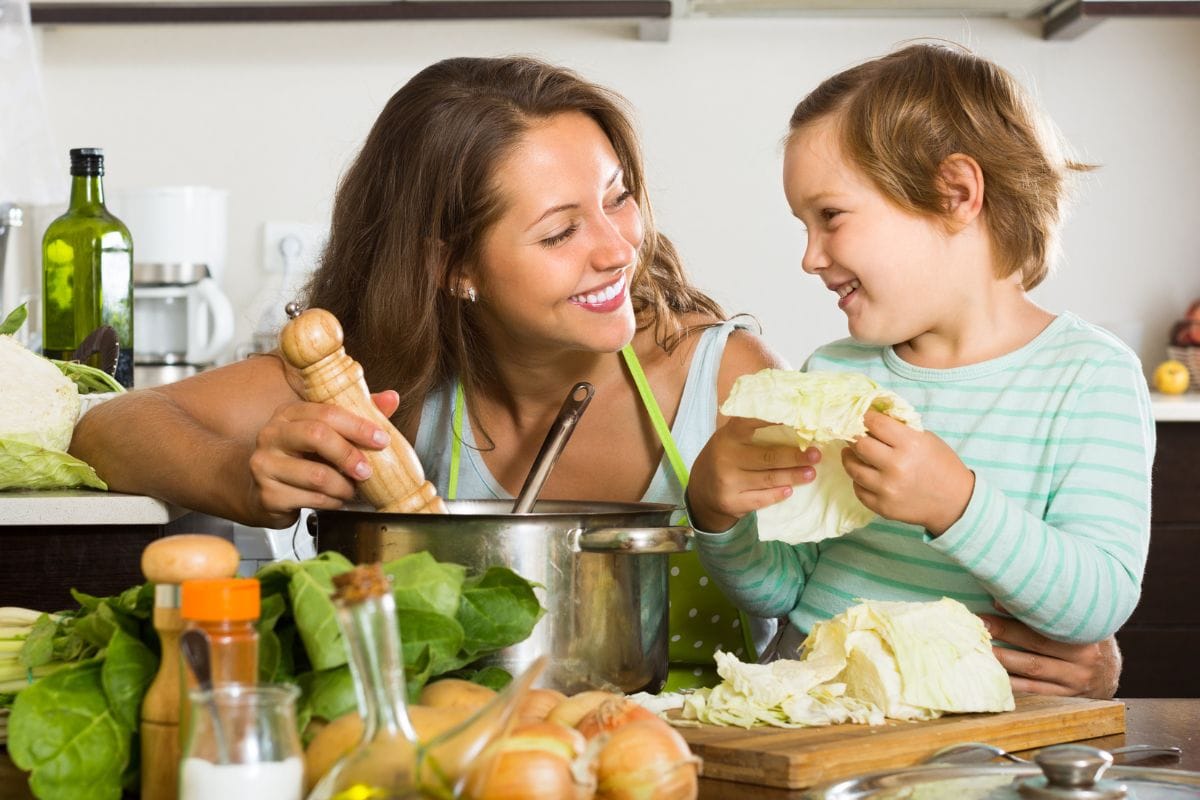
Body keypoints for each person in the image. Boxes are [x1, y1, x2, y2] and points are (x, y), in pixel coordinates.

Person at [70, 54, 1122, 697]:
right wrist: (244, 476)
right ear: (453, 265)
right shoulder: (393, 385)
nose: (618, 247)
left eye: (620, 198)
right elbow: (108, 424)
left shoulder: (725, 377)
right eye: (563, 227)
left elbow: (818, 602)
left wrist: (1054, 646)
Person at [685, 42, 1153, 688]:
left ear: (956, 192)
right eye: (804, 225)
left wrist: (956, 505)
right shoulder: (833, 373)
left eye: (831, 217)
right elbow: (780, 591)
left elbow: (1095, 603)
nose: (810, 257)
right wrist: (716, 513)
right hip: (817, 708)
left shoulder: (1090, 377)